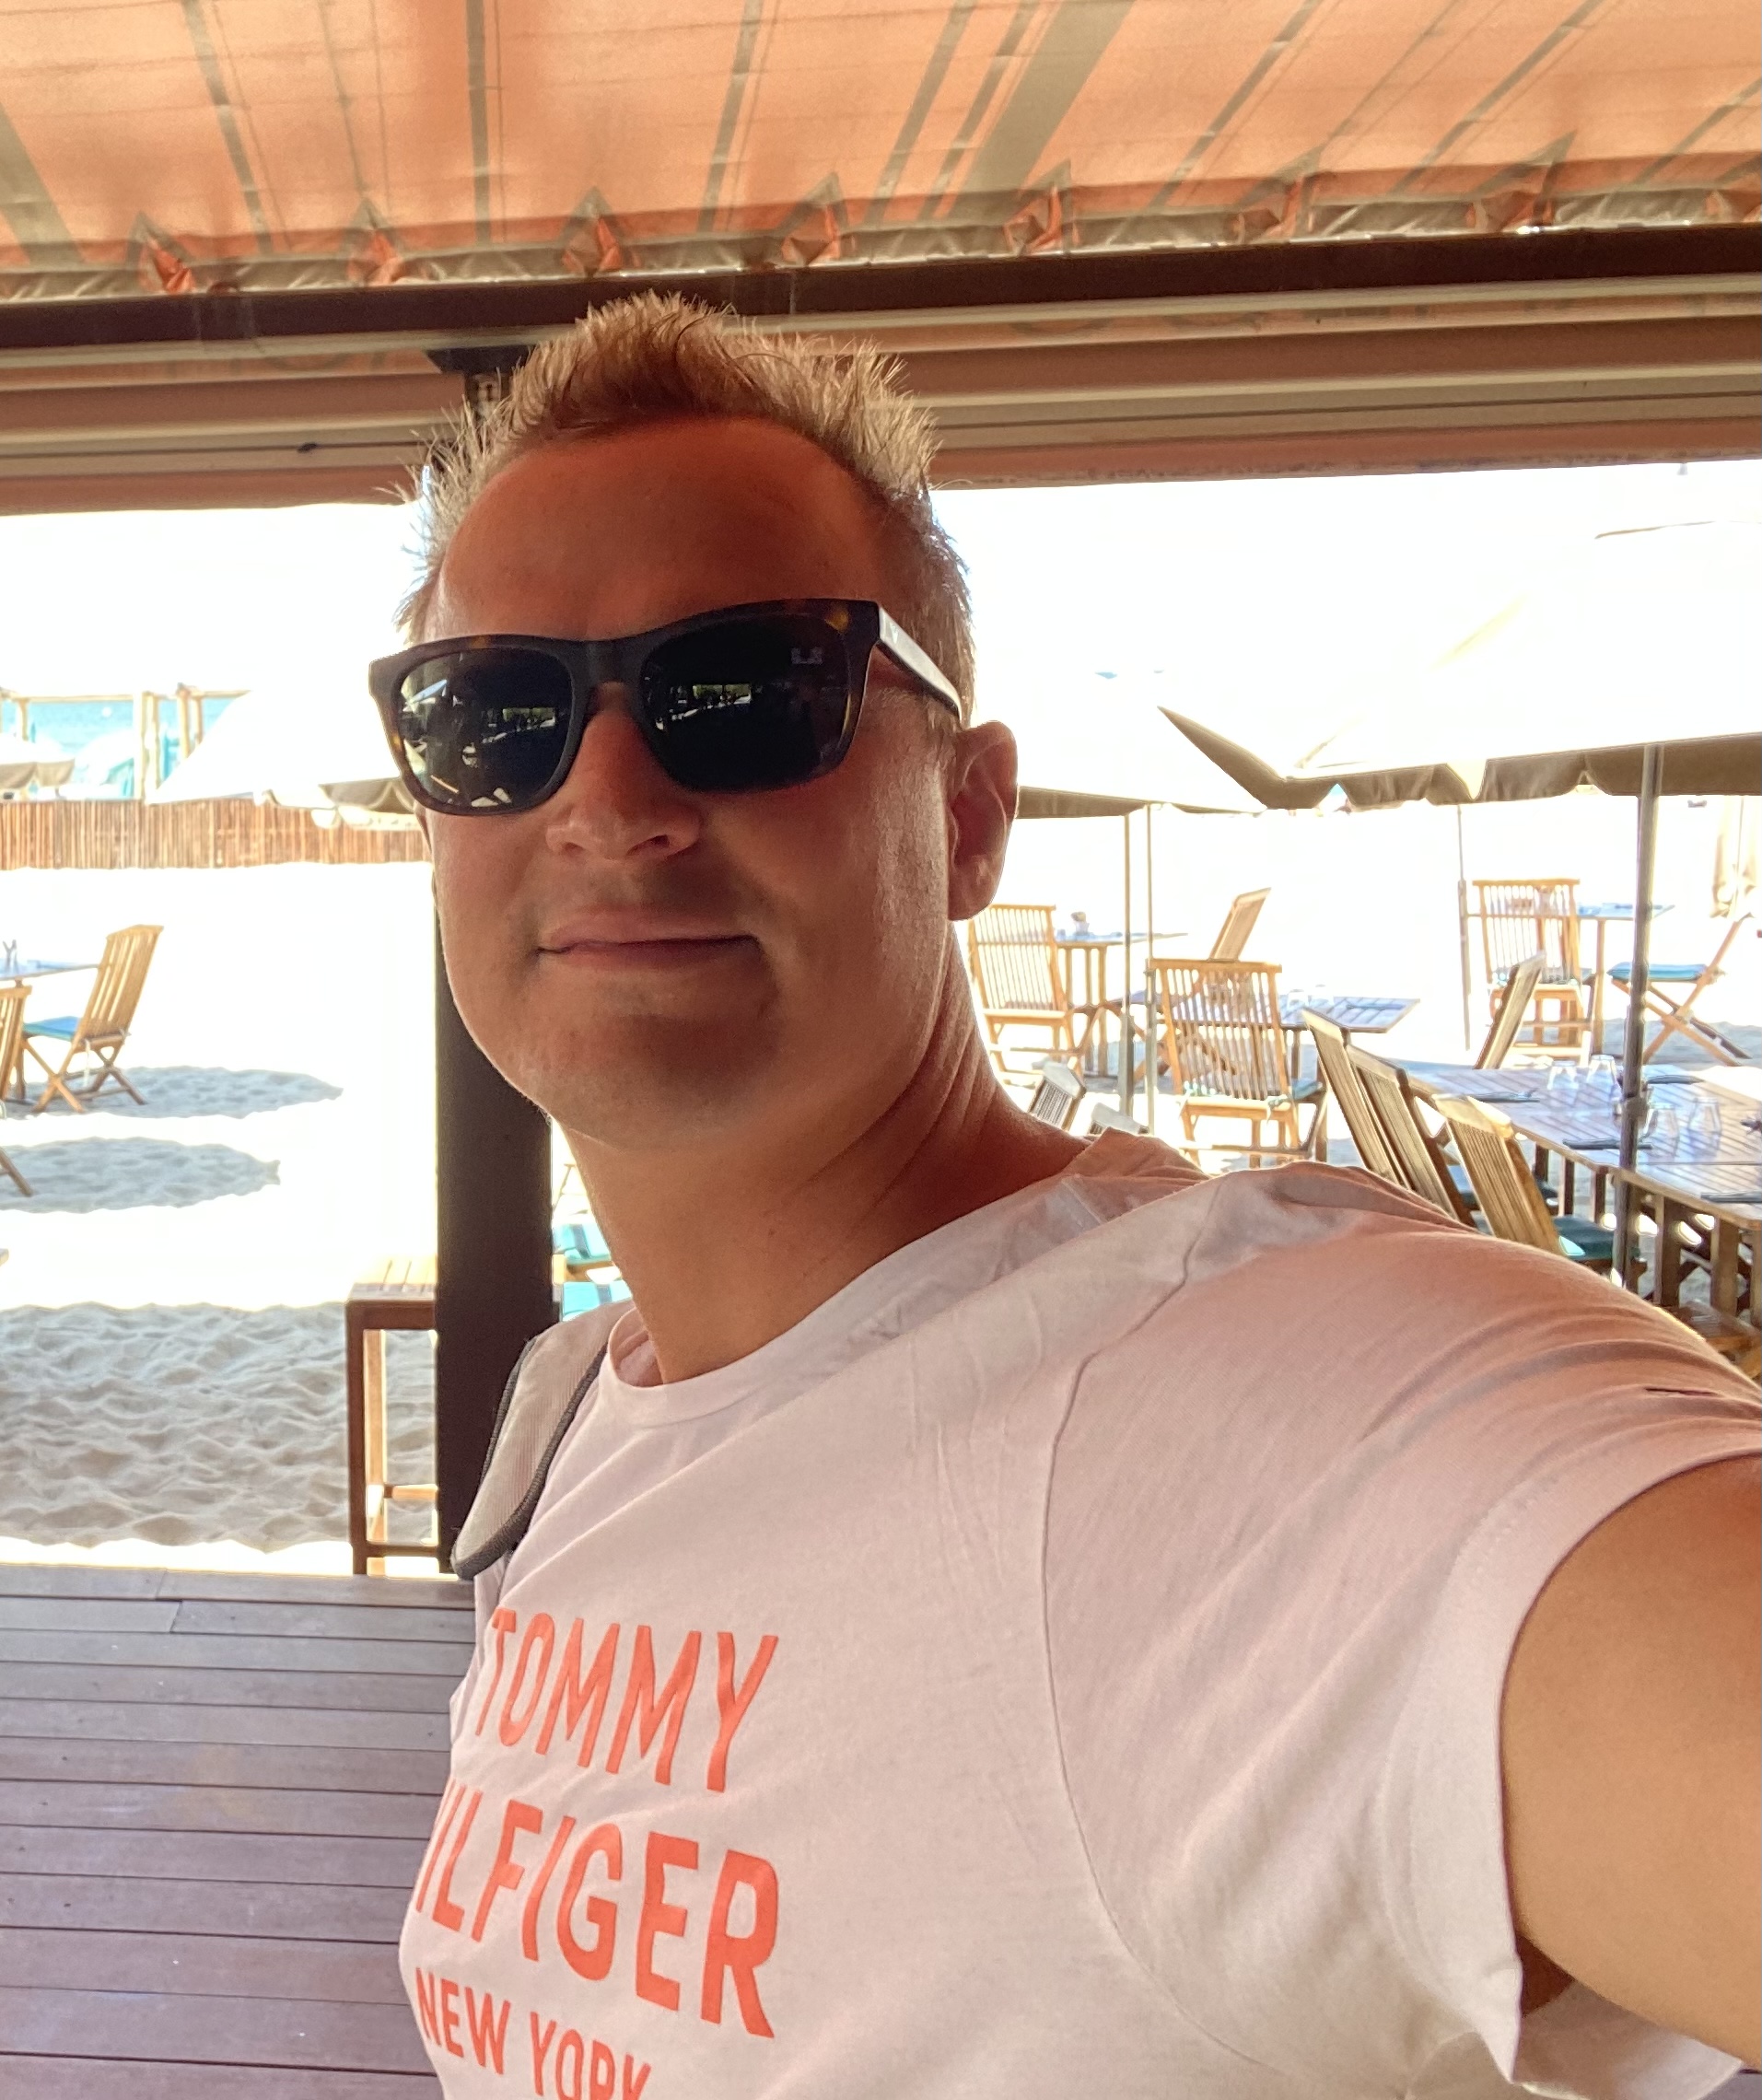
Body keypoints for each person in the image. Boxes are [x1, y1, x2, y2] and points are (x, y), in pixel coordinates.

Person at [381, 295, 1758, 2098]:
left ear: (967, 818)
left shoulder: (1290, 1417)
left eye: (745, 692)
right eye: (496, 716)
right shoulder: (600, 1408)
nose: (606, 794)